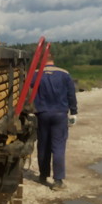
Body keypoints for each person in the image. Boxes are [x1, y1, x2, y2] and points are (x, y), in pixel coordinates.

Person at [33, 51, 77, 190]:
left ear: (41, 61)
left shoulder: (35, 74)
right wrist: (74, 112)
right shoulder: (64, 74)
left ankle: (43, 175)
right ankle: (58, 181)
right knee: (58, 146)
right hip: (60, 114)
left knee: (43, 145)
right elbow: (71, 94)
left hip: (42, 114)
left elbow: (28, 92)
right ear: (53, 60)